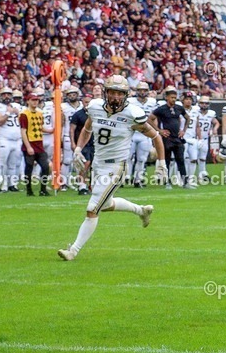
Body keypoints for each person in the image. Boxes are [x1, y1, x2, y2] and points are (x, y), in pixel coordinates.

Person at [58, 76, 163, 262]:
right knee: (106, 204)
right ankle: (141, 211)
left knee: (92, 208)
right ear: (106, 93)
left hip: (116, 166)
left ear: (125, 95)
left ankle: (73, 250)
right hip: (98, 163)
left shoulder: (132, 114)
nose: (115, 97)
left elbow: (156, 136)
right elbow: (87, 129)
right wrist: (78, 149)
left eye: (119, 93)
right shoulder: (95, 107)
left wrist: (161, 163)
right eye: (112, 92)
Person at [152, 87, 188, 189]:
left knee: (180, 160)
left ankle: (185, 182)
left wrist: (183, 130)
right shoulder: (162, 109)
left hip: (177, 137)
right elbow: (150, 119)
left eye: (175, 98)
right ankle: (167, 182)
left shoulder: (179, 108)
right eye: (172, 97)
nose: (173, 99)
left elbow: (187, 118)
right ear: (167, 98)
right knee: (167, 160)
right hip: (167, 138)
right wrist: (159, 130)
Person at [19, 92, 52, 197]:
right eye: (33, 100)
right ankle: (29, 190)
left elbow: (39, 127)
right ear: (28, 101)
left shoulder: (39, 113)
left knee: (45, 166)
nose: (35, 102)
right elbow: (23, 131)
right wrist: (28, 146)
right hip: (30, 142)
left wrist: (50, 130)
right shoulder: (24, 114)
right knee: (29, 167)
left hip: (39, 143)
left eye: (36, 100)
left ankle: (43, 190)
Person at [128, 82, 158, 187]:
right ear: (137, 91)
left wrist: (155, 131)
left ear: (148, 91)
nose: (142, 92)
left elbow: (154, 118)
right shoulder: (130, 101)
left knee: (142, 159)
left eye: (144, 90)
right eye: (140, 90)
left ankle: (138, 179)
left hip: (145, 134)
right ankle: (125, 178)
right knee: (128, 157)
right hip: (132, 132)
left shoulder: (152, 102)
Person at [0, 88, 23, 193]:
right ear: (0, 96)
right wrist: (8, 113)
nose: (6, 96)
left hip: (16, 139)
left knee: (13, 164)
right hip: (3, 139)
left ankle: (12, 185)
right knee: (0, 163)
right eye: (4, 94)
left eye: (8, 94)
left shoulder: (17, 106)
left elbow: (24, 122)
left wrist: (18, 114)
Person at [69, 94, 93, 196]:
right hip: (82, 143)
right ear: (82, 102)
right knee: (85, 164)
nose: (87, 104)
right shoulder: (78, 114)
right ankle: (81, 185)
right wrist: (73, 143)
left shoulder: (95, 114)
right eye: (86, 102)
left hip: (94, 142)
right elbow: (72, 129)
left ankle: (91, 185)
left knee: (94, 165)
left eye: (89, 102)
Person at [193, 96, 218, 184]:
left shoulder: (211, 113)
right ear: (199, 103)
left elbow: (216, 122)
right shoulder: (195, 111)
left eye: (206, 103)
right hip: (194, 138)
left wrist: (214, 129)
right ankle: (189, 176)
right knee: (192, 158)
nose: (204, 105)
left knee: (203, 158)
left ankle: (201, 175)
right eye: (202, 103)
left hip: (205, 138)